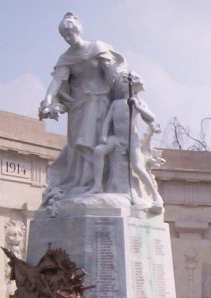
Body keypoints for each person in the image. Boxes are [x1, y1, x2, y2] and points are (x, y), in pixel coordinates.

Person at [38, 13, 128, 205]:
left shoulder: (97, 47)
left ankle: (95, 183)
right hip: (78, 106)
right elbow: (57, 80)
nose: (69, 37)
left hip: (99, 102)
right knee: (77, 146)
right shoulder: (66, 57)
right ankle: (81, 182)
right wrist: (47, 99)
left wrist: (125, 89)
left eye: (71, 32)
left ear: (78, 30)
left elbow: (113, 75)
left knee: (92, 141)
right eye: (65, 34)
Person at [89, 74, 165, 212]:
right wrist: (104, 135)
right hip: (116, 138)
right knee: (98, 151)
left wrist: (137, 106)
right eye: (123, 82)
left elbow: (151, 117)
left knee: (137, 167)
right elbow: (107, 121)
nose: (124, 84)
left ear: (134, 86)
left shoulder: (137, 101)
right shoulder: (116, 103)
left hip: (132, 139)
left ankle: (156, 196)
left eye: (127, 82)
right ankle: (98, 185)